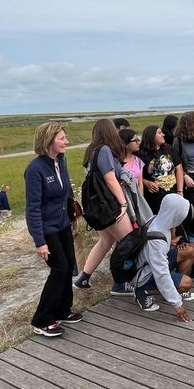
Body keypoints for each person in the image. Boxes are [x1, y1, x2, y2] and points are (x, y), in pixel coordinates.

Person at [25, 122, 82, 337]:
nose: (66, 142)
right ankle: (41, 319)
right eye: (61, 138)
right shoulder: (35, 169)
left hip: (63, 224)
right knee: (59, 268)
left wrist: (72, 217)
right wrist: (39, 241)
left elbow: (66, 192)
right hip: (47, 228)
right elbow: (32, 208)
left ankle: (62, 310)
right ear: (48, 140)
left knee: (68, 267)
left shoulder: (61, 161)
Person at [74, 119, 134, 293]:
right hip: (109, 204)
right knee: (128, 241)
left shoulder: (91, 150)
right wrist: (123, 203)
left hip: (97, 205)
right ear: (110, 132)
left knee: (106, 241)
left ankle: (84, 277)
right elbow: (110, 178)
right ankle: (120, 282)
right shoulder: (105, 150)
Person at [133, 194, 194, 320]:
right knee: (187, 283)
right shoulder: (156, 240)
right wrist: (177, 304)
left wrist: (174, 242)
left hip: (152, 264)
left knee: (190, 251)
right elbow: (161, 273)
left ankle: (173, 288)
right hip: (143, 275)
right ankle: (141, 291)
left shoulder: (156, 219)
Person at [139, 124, 181, 214]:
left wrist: (180, 191)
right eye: (159, 133)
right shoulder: (142, 154)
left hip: (172, 192)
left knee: (173, 218)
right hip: (154, 197)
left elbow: (179, 169)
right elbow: (135, 175)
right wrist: (146, 182)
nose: (163, 134)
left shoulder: (169, 149)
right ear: (151, 136)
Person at [118, 128, 144, 193]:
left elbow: (140, 183)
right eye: (135, 140)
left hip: (137, 197)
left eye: (138, 140)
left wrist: (140, 200)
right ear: (125, 143)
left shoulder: (138, 161)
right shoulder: (116, 162)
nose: (138, 143)